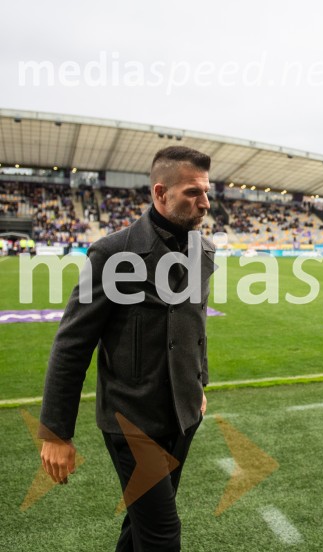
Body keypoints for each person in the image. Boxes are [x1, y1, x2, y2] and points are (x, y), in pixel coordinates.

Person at [39, 146, 215, 551]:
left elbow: (196, 326)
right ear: (160, 193)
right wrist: (55, 432)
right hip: (132, 420)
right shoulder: (113, 254)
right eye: (193, 193)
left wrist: (199, 382)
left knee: (140, 529)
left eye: (206, 192)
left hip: (183, 415)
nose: (204, 203)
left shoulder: (203, 251)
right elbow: (72, 343)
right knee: (162, 536)